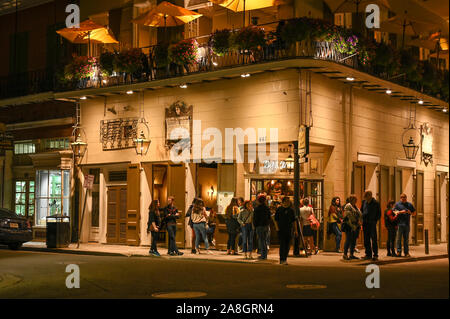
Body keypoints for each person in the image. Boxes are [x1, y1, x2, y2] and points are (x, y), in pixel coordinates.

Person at [275, 197, 297, 265]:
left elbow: (294, 221)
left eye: (289, 201)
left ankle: (285, 258)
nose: (288, 202)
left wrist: (295, 230)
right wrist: (277, 228)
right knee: (282, 244)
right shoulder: (279, 209)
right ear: (283, 202)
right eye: (287, 201)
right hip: (281, 229)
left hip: (289, 229)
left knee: (288, 245)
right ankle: (282, 259)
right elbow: (275, 219)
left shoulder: (291, 210)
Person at [361, 190, 381, 261]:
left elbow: (379, 213)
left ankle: (375, 255)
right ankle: (368, 254)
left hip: (372, 223)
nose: (366, 198)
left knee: (374, 239)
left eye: (366, 197)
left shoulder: (375, 203)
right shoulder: (364, 202)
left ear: (370, 196)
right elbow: (361, 211)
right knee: (366, 239)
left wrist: (375, 221)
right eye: (365, 197)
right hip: (365, 223)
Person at [394, 193, 416, 257]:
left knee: (406, 239)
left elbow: (414, 213)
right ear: (400, 198)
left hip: (407, 224)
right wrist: (401, 212)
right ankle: (398, 252)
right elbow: (394, 212)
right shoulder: (397, 204)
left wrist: (410, 213)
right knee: (398, 239)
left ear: (406, 198)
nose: (403, 199)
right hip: (399, 224)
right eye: (402, 197)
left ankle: (406, 252)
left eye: (404, 197)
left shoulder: (409, 205)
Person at [342, 195, 362, 260]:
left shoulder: (355, 207)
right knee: (348, 239)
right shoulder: (348, 206)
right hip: (349, 225)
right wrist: (355, 221)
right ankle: (345, 254)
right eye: (354, 199)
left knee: (353, 240)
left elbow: (359, 214)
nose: (356, 200)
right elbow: (349, 215)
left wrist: (359, 221)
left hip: (355, 226)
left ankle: (351, 254)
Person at [253, 194, 271, 260]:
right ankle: (264, 254)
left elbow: (255, 218)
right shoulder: (267, 208)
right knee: (265, 240)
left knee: (261, 240)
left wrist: (255, 225)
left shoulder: (257, 209)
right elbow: (269, 217)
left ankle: (263, 255)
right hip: (266, 225)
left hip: (259, 226)